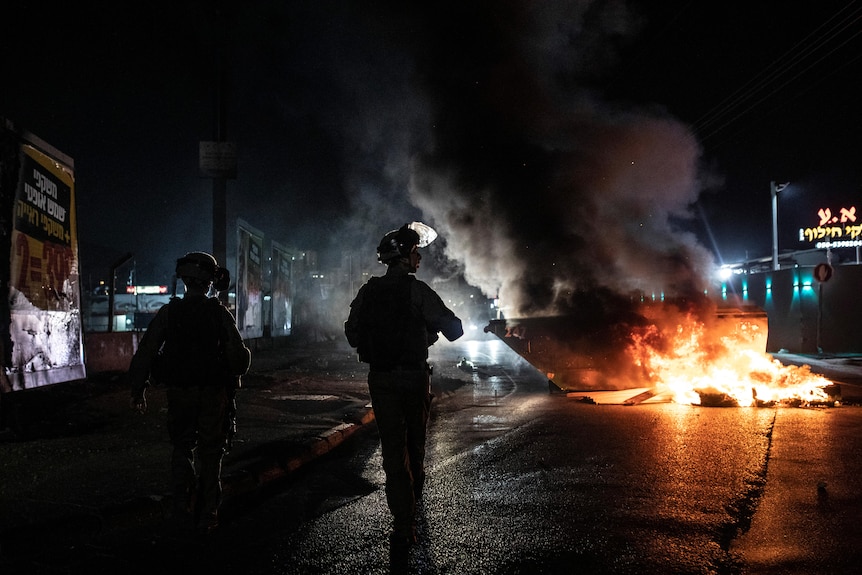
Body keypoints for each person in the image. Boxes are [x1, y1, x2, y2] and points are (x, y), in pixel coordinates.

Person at [344, 222, 464, 547]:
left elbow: (353, 333)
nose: (420, 259)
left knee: (393, 452)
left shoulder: (368, 291)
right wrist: (426, 333)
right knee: (415, 445)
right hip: (413, 378)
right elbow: (454, 329)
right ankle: (414, 507)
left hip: (380, 379)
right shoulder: (417, 290)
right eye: (416, 253)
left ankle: (403, 522)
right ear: (406, 257)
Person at [128, 251, 251, 535]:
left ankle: (180, 509)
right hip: (212, 394)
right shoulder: (219, 314)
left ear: (184, 279)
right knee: (211, 453)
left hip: (179, 394)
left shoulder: (169, 313)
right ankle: (208, 513)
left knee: (181, 448)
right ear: (209, 281)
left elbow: (146, 352)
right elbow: (238, 362)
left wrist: (138, 388)